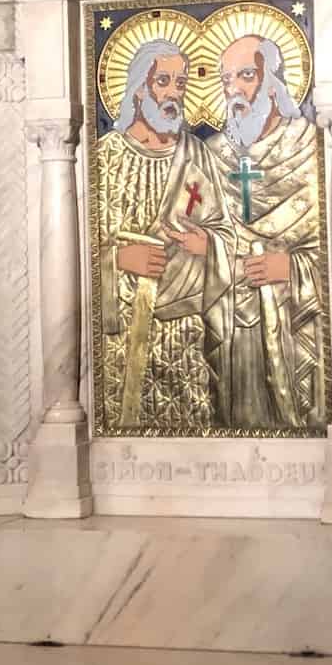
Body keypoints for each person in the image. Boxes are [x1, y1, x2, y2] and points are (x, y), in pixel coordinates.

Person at [92, 36, 220, 434]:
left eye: (180, 83)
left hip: (184, 335)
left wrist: (208, 246)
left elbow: (223, 229)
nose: (173, 93)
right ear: (138, 87)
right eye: (162, 81)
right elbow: (71, 255)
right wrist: (116, 260)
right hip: (121, 338)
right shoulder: (105, 156)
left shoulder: (196, 155)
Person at [201, 33, 327, 432]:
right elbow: (200, 238)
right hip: (233, 331)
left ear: (272, 82)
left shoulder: (309, 147)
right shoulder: (214, 155)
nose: (234, 88)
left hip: (295, 327)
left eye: (246, 75)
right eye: (226, 79)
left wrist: (290, 267)